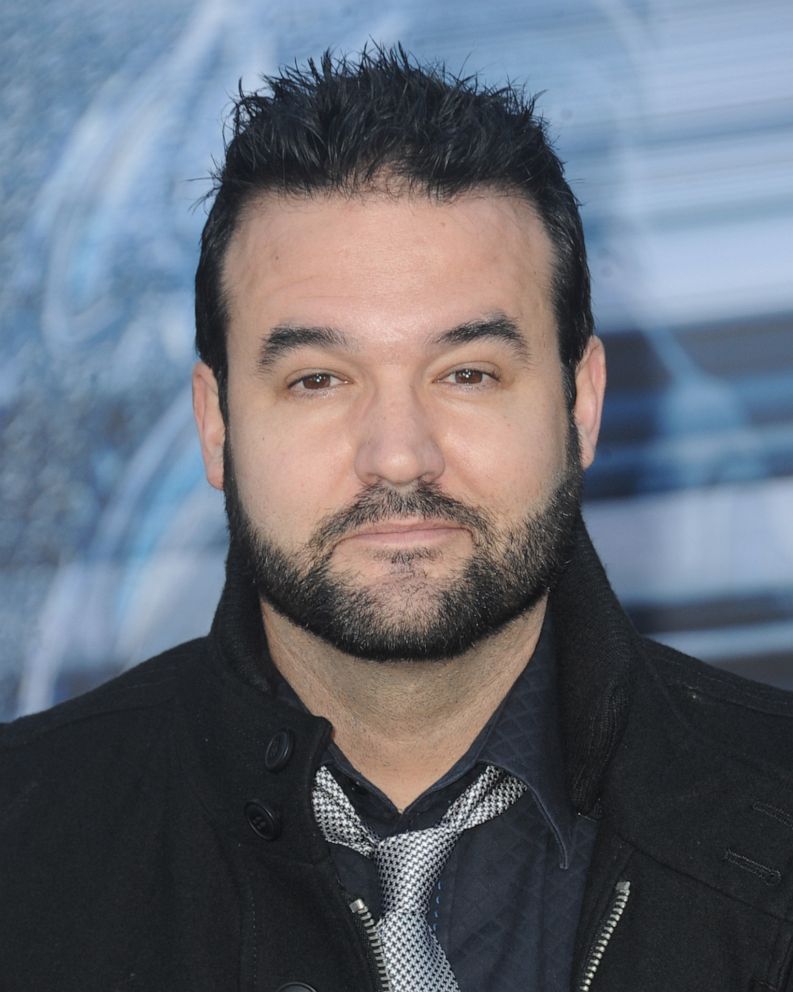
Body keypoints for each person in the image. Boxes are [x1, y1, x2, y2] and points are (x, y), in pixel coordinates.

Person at [2, 47, 792, 992]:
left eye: (466, 373)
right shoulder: (24, 845)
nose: (398, 454)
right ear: (215, 426)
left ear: (581, 405)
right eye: (318, 380)